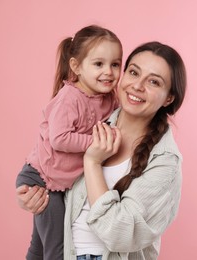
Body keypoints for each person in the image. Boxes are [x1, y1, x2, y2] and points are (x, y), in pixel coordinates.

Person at [17, 41, 187, 260]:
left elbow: (119, 234)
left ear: (169, 98)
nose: (137, 85)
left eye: (154, 82)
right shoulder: (94, 122)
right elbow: (51, 166)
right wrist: (32, 192)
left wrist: (92, 163)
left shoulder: (165, 163)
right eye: (133, 72)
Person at [15, 25, 122, 260]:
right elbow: (59, 138)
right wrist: (95, 142)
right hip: (42, 178)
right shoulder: (70, 98)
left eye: (115, 64)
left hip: (60, 180)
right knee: (57, 247)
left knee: (40, 245)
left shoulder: (108, 98)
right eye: (98, 64)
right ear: (76, 66)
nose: (109, 72)